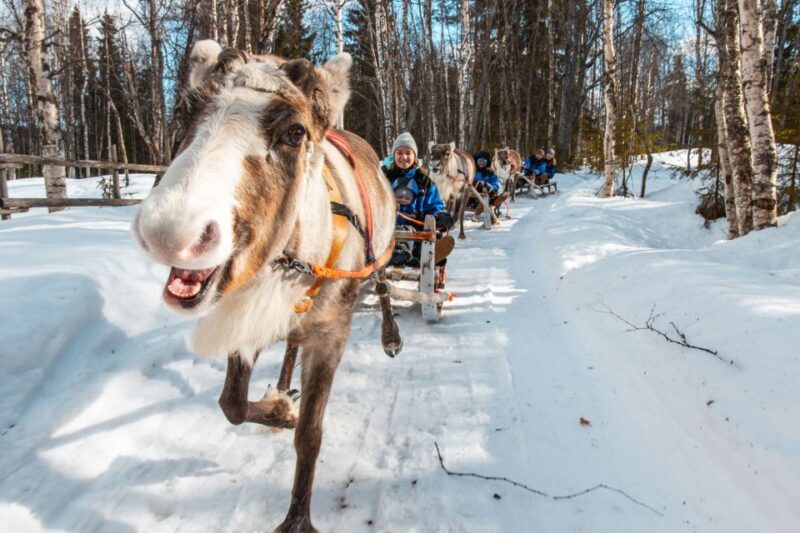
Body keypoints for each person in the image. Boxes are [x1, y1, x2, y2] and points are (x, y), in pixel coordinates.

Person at [383, 132, 454, 266]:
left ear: (414, 156)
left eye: (408, 153)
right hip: (387, 229)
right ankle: (399, 253)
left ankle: (427, 254)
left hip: (417, 230)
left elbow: (434, 205)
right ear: (394, 155)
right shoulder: (383, 177)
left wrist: (440, 216)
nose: (404, 157)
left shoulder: (424, 180)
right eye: (399, 153)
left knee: (424, 240)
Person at [471, 151, 508, 217]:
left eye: (483, 161)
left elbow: (495, 183)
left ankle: (480, 211)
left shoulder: (490, 173)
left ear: (487, 162)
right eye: (479, 161)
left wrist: (490, 187)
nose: (481, 163)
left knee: (500, 195)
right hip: (474, 192)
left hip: (487, 192)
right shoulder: (474, 171)